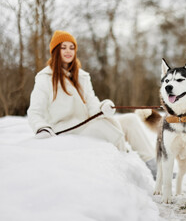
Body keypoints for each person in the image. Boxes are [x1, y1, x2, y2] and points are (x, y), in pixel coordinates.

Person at [27, 30, 157, 179]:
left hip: (86, 122)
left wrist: (103, 107)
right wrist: (41, 127)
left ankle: (154, 167)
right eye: (63, 47)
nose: (68, 51)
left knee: (130, 120)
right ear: (56, 51)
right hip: (67, 128)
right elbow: (34, 111)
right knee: (106, 127)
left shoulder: (82, 76)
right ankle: (124, 163)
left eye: (72, 47)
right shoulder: (44, 78)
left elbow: (92, 104)